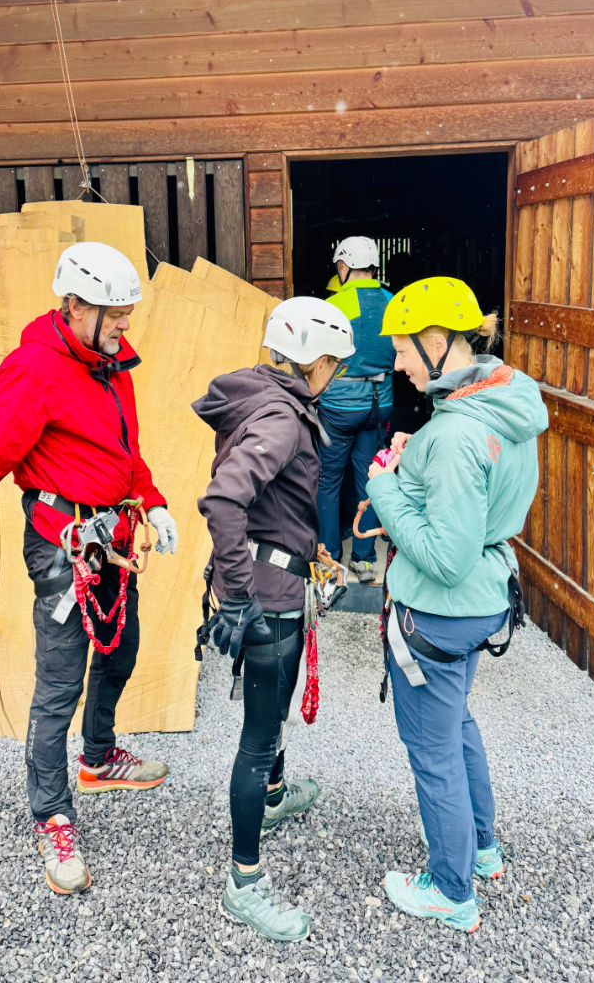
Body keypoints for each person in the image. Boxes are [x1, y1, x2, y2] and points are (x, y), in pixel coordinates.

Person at [0, 242, 179, 895]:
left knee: (121, 649)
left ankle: (98, 758)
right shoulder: (32, 372)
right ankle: (52, 814)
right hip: (63, 545)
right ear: (74, 306)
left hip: (113, 536)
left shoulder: (110, 365)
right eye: (115, 314)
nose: (126, 325)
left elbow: (126, 454)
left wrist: (153, 502)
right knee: (59, 683)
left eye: (127, 313)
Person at [365, 276, 547, 932]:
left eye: (403, 350)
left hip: (440, 611)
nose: (397, 365)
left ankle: (450, 890)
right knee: (458, 726)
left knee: (432, 750)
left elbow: (445, 558)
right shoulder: (502, 402)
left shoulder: (453, 435)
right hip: (487, 597)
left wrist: (386, 488)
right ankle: (483, 847)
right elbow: (478, 483)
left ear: (437, 341)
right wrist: (419, 457)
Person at [192, 296, 355, 942]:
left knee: (274, 710)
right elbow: (224, 499)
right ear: (315, 361)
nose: (336, 375)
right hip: (266, 594)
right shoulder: (283, 419)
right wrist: (238, 596)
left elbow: (267, 500)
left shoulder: (262, 395)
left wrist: (304, 547)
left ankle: (276, 794)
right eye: (335, 363)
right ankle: (244, 882)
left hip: (275, 576)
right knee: (258, 738)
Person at [317, 236, 395, 583]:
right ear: (374, 267)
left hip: (338, 408)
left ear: (343, 266)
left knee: (328, 481)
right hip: (380, 406)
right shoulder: (393, 303)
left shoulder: (334, 306)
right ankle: (364, 560)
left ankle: (329, 559)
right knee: (370, 479)